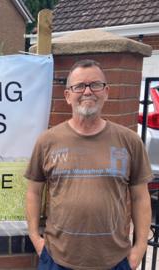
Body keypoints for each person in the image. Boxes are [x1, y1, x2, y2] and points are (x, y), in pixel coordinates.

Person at [25, 59, 152, 269]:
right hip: (57, 259)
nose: (87, 91)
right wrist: (36, 239)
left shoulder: (129, 141)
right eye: (79, 86)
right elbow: (34, 193)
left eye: (95, 85)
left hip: (114, 260)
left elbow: (140, 197)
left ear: (106, 91)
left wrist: (139, 249)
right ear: (67, 95)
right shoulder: (47, 141)